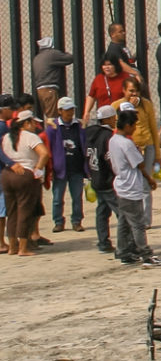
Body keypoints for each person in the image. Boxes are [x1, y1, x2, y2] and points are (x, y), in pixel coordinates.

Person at [106, 111, 161, 265]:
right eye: (134, 125)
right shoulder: (126, 143)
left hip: (121, 186)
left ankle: (123, 251)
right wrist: (150, 179)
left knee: (124, 222)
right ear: (127, 125)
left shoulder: (113, 140)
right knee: (138, 224)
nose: (135, 129)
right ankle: (146, 254)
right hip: (131, 188)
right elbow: (139, 164)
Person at [3, 111, 49, 256]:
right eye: (33, 122)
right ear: (26, 123)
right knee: (25, 210)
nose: (36, 125)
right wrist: (38, 169)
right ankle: (23, 247)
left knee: (12, 212)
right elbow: (44, 154)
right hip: (25, 174)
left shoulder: (6, 137)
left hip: (7, 174)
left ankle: (12, 246)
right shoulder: (31, 137)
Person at [43, 99, 85, 233]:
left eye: (72, 110)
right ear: (60, 111)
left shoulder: (77, 125)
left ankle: (77, 221)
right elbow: (48, 147)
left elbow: (83, 143)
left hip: (76, 167)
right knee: (57, 198)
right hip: (60, 168)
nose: (70, 113)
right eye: (67, 110)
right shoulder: (53, 128)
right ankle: (58, 221)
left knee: (77, 197)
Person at [83, 105, 117, 252]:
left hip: (96, 178)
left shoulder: (90, 134)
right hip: (107, 180)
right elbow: (110, 160)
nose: (115, 120)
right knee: (121, 212)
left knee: (102, 212)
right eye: (113, 117)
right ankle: (127, 243)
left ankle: (103, 242)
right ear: (108, 119)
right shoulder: (107, 137)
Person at [31, 37, 73, 122]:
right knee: (53, 117)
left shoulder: (37, 57)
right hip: (49, 89)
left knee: (49, 114)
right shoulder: (52, 54)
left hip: (40, 90)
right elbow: (70, 58)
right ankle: (53, 134)